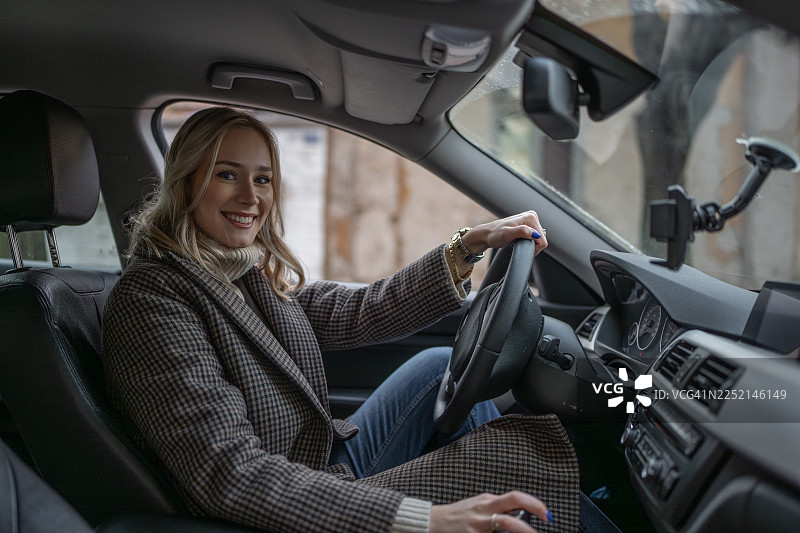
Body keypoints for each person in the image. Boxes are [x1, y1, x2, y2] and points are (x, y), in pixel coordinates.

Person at [101, 107, 579, 533]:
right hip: (281, 506)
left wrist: (467, 245)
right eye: (228, 175)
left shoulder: (241, 273)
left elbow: (363, 310)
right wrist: (426, 519)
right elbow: (230, 473)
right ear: (187, 182)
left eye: (263, 179)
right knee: (504, 460)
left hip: (316, 462)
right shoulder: (153, 299)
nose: (250, 196)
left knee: (439, 367)